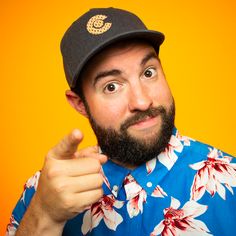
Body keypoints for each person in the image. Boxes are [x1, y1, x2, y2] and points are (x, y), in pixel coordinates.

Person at [6, 7, 236, 236]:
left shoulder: (230, 180)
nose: (142, 101)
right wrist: (44, 216)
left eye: (148, 73)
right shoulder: (45, 193)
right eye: (111, 86)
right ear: (79, 103)